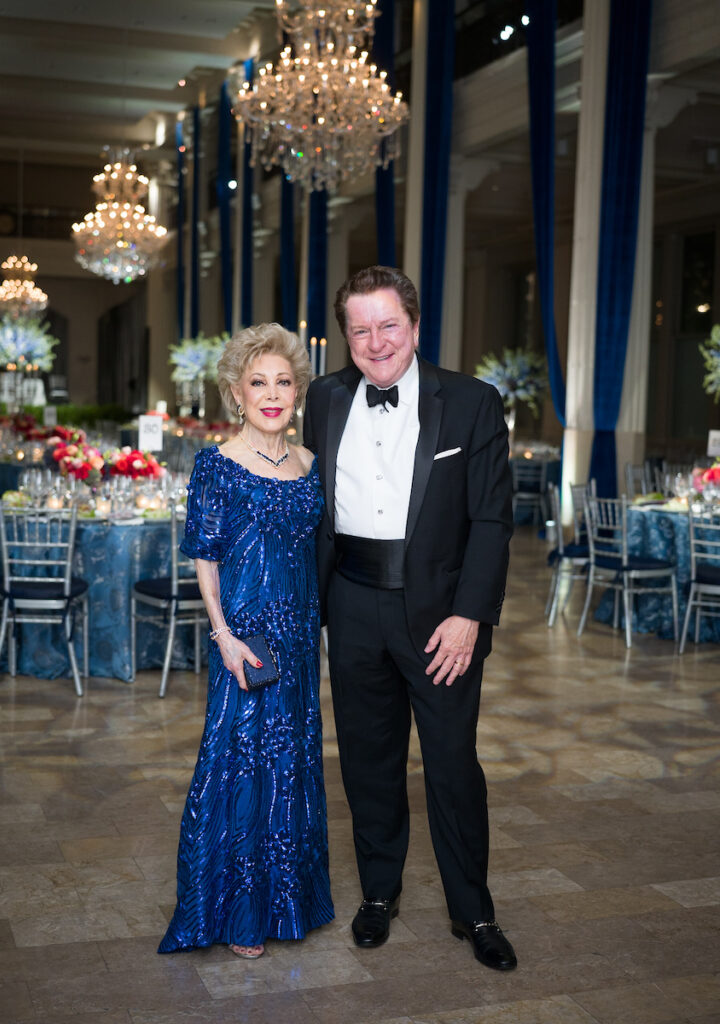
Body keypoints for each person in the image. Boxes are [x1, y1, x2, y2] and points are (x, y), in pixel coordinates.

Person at [303, 266, 516, 971]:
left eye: (388, 325)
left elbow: (490, 519)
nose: (375, 341)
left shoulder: (473, 402)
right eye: (360, 329)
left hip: (440, 616)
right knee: (367, 760)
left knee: (452, 764)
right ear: (346, 338)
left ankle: (473, 910)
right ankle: (378, 894)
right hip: (352, 603)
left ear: (416, 327)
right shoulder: (324, 398)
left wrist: (469, 617)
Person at [159, 323, 334, 961]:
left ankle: (288, 901)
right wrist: (223, 635)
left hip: (297, 639)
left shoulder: (311, 465)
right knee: (239, 766)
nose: (271, 394)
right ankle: (235, 909)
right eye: (257, 382)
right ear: (236, 393)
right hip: (244, 637)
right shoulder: (218, 463)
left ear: (297, 393)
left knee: (291, 765)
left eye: (282, 382)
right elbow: (204, 557)